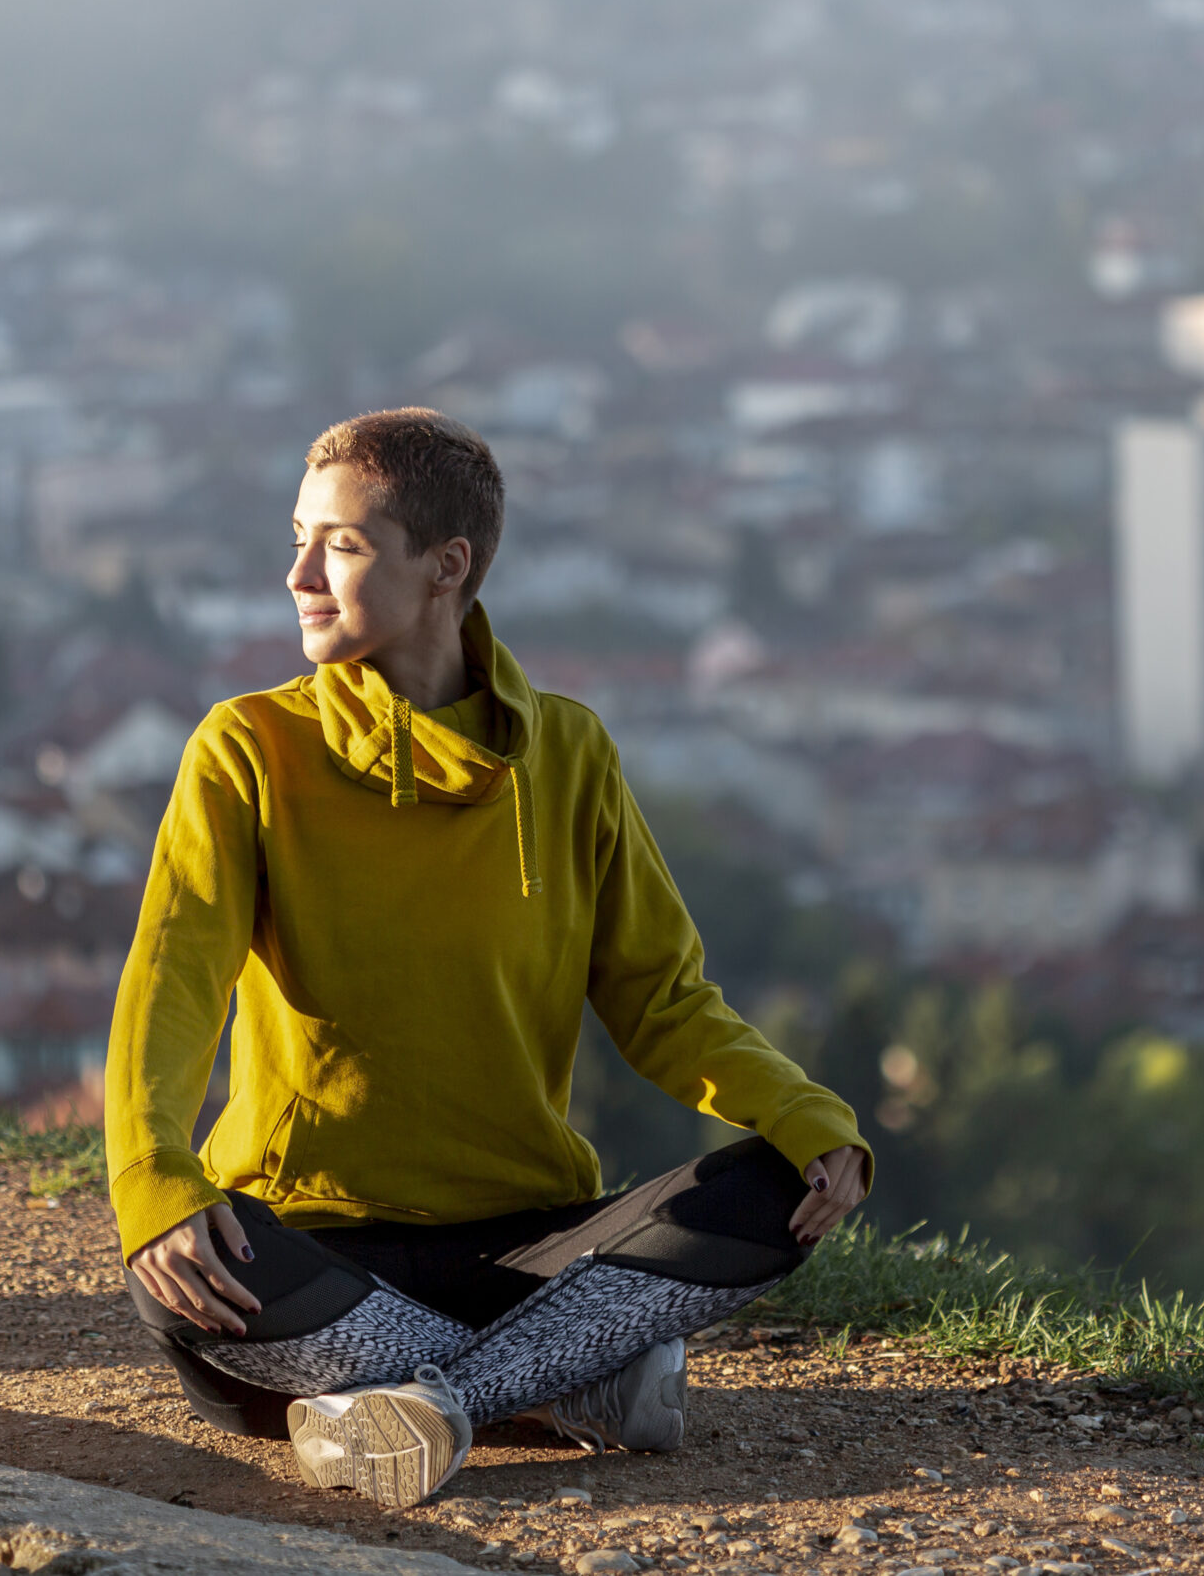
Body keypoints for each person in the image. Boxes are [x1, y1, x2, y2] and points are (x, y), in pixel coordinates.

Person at [106, 408, 872, 1509]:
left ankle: (428, 1410)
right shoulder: (248, 749)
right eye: (298, 537)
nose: (299, 574)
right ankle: (562, 1381)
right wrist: (152, 1178)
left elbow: (662, 1001)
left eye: (344, 545)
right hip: (317, 1255)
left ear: (445, 565)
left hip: (523, 1251)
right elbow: (174, 984)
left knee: (767, 1188)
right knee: (178, 1276)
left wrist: (805, 1116)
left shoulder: (569, 753)